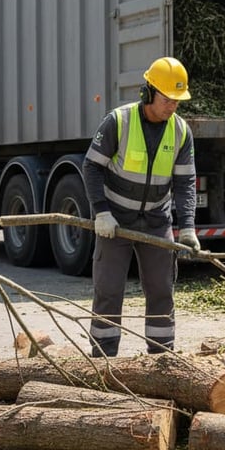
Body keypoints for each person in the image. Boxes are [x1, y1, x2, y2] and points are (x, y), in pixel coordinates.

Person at [82, 57, 199, 358]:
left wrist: (186, 227)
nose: (172, 106)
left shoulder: (181, 131)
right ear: (148, 92)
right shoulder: (118, 122)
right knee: (108, 290)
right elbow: (91, 167)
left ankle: (161, 357)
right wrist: (101, 212)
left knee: (162, 290)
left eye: (177, 101)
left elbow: (185, 183)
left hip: (157, 221)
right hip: (115, 221)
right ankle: (103, 360)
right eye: (167, 99)